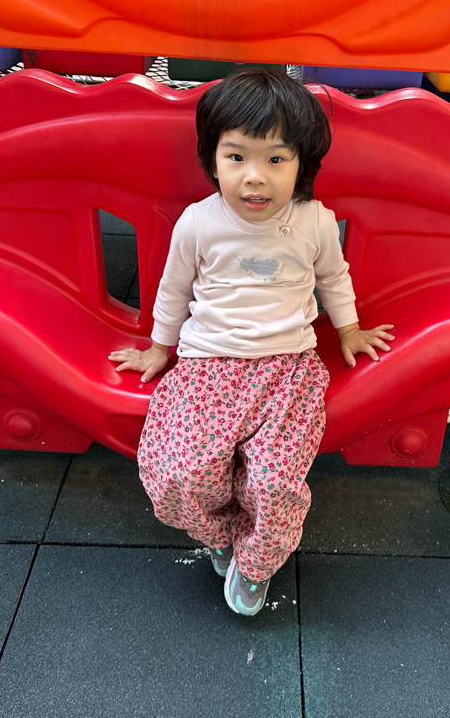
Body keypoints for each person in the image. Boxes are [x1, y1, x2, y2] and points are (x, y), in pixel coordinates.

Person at [109, 68, 393, 616]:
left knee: (274, 482)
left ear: (302, 164)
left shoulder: (313, 221)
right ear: (212, 159)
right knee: (182, 473)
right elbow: (173, 288)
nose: (255, 178)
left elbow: (334, 277)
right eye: (236, 157)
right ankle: (221, 533)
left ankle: (256, 562)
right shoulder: (198, 223)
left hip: (287, 369)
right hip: (208, 366)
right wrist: (159, 349)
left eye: (276, 159)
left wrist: (350, 329)